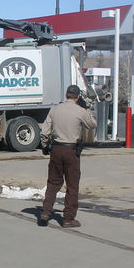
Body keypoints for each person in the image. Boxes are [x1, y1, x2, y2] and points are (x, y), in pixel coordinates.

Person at [38, 85, 96, 228]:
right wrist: (87, 109)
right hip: (71, 150)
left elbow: (44, 132)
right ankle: (68, 218)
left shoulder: (55, 109)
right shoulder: (80, 111)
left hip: (56, 149)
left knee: (53, 182)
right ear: (78, 97)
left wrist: (45, 146)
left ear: (66, 95)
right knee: (72, 185)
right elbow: (92, 125)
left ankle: (45, 212)